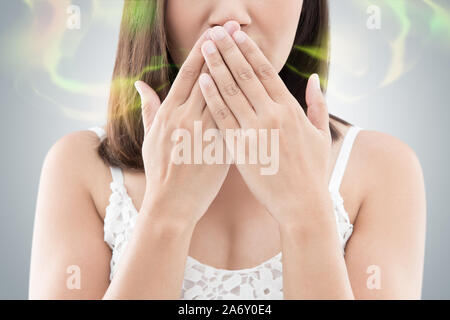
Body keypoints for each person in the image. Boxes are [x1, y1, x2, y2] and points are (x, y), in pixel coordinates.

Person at [29, 0, 426, 299]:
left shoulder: (383, 169)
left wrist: (305, 213)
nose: (232, 14)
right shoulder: (79, 166)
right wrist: (168, 213)